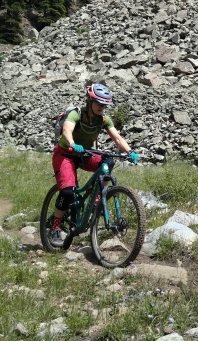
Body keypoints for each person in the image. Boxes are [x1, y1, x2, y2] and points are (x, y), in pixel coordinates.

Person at [50, 83, 139, 247]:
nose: (102, 107)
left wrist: (130, 151)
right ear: (89, 101)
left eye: (105, 104)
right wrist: (72, 143)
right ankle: (55, 227)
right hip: (65, 153)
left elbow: (117, 138)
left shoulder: (103, 119)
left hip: (85, 153)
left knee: (108, 161)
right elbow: (66, 131)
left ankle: (98, 198)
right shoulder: (76, 114)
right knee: (68, 192)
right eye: (98, 103)